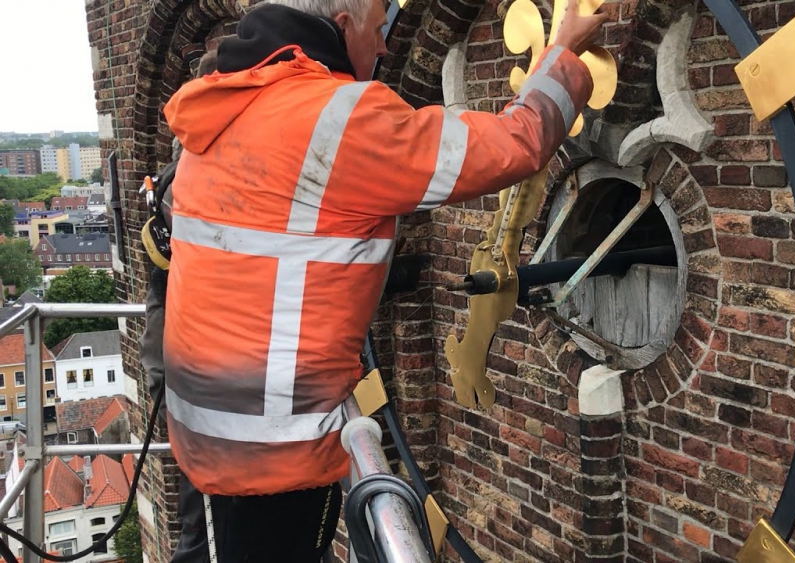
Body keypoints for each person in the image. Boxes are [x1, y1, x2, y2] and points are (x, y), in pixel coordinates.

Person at [160, 0, 607, 560]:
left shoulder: (228, 100)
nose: (387, 46)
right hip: (275, 453)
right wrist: (562, 52)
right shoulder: (338, 119)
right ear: (343, 27)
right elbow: (510, 145)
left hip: (206, 431)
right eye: (378, 31)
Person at [137, 48, 225, 563]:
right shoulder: (190, 178)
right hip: (195, 375)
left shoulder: (181, 170)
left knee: (206, 516)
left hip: (186, 373)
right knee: (207, 522)